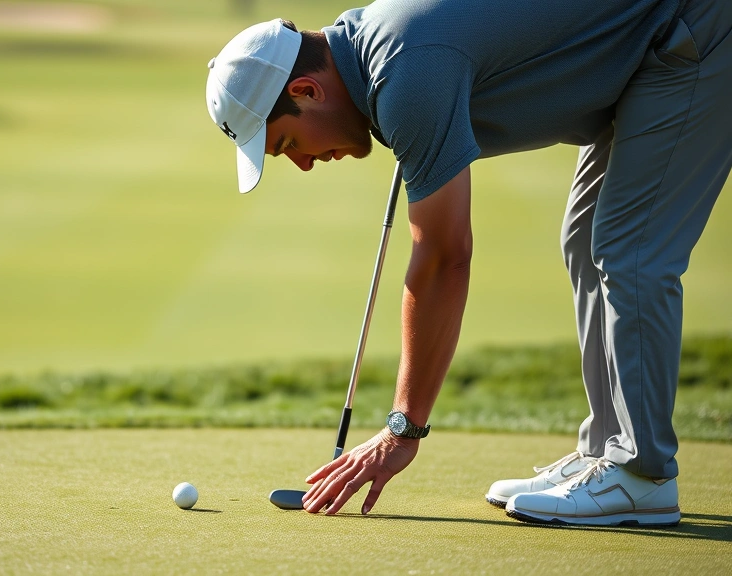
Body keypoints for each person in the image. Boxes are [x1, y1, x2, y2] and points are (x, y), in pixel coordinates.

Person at [204, 0, 731, 526]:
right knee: (586, 238)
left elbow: (444, 258)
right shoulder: (377, 56)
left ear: (306, 90)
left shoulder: (403, 74)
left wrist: (402, 428)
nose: (301, 163)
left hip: (689, 30)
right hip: (651, 47)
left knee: (628, 250)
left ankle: (641, 475)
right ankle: (607, 452)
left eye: (289, 143)